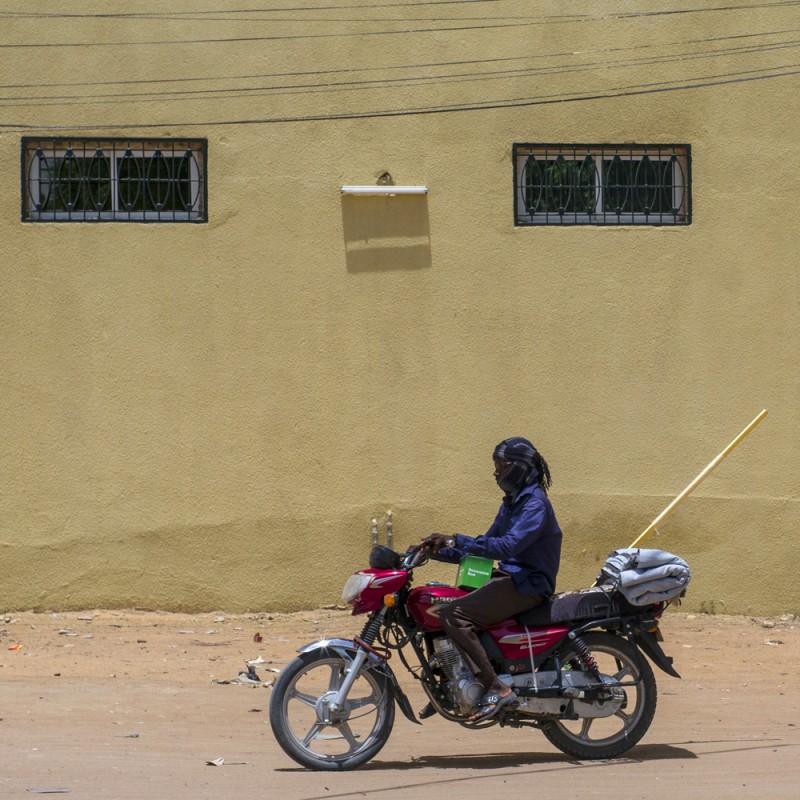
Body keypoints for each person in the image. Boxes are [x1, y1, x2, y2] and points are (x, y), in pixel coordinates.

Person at [421, 436, 562, 722]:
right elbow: (485, 546)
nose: (495, 472)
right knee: (434, 605)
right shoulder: (512, 503)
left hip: (529, 584)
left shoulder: (535, 504)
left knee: (454, 615)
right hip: (508, 578)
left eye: (500, 464)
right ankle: (450, 686)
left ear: (520, 467)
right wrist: (436, 551)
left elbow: (507, 546)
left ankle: (495, 687)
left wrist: (455, 539)